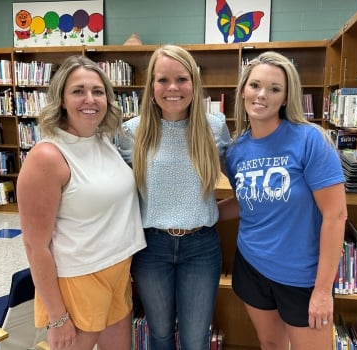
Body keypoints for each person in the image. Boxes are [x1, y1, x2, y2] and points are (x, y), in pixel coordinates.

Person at [218, 51, 347, 350]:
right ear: (243, 90)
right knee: (271, 345)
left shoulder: (309, 139)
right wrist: (203, 213)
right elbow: (249, 200)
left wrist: (323, 290)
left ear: (287, 97)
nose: (262, 94)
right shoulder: (236, 151)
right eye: (255, 85)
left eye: (274, 89)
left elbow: (336, 215)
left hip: (302, 277)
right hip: (251, 267)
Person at [17, 55, 146, 350]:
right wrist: (57, 317)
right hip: (79, 277)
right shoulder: (47, 156)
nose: (90, 99)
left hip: (118, 269)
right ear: (61, 98)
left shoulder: (103, 141)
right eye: (78, 91)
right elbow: (35, 246)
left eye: (97, 91)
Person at [117, 44, 232, 350]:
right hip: (150, 247)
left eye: (181, 79)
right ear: (151, 85)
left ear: (194, 83)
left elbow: (244, 182)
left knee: (196, 339)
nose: (172, 88)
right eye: (163, 80)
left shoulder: (215, 127)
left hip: (201, 246)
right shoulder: (131, 132)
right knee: (160, 333)